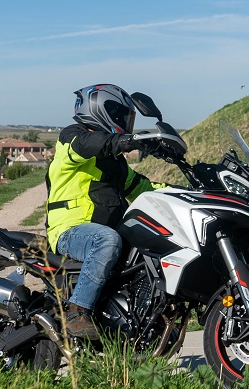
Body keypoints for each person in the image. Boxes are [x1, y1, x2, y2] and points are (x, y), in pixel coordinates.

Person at [45, 83, 168, 340]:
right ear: (102, 111)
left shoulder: (116, 165)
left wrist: (179, 194)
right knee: (107, 239)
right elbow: (91, 143)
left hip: (100, 233)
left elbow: (144, 188)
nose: (126, 122)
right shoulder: (72, 139)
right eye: (122, 116)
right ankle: (77, 313)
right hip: (69, 231)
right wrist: (125, 141)